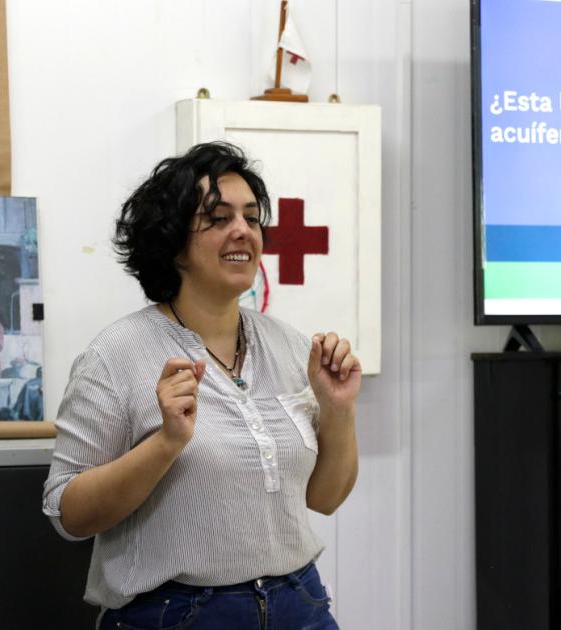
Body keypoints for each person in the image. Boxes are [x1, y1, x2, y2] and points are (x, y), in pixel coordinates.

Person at [42, 142, 360, 629]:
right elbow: (69, 515)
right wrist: (166, 443)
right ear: (171, 242)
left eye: (252, 218)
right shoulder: (114, 355)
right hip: (176, 614)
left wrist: (338, 410)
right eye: (217, 218)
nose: (243, 231)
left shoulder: (292, 346)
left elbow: (326, 498)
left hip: (300, 604)